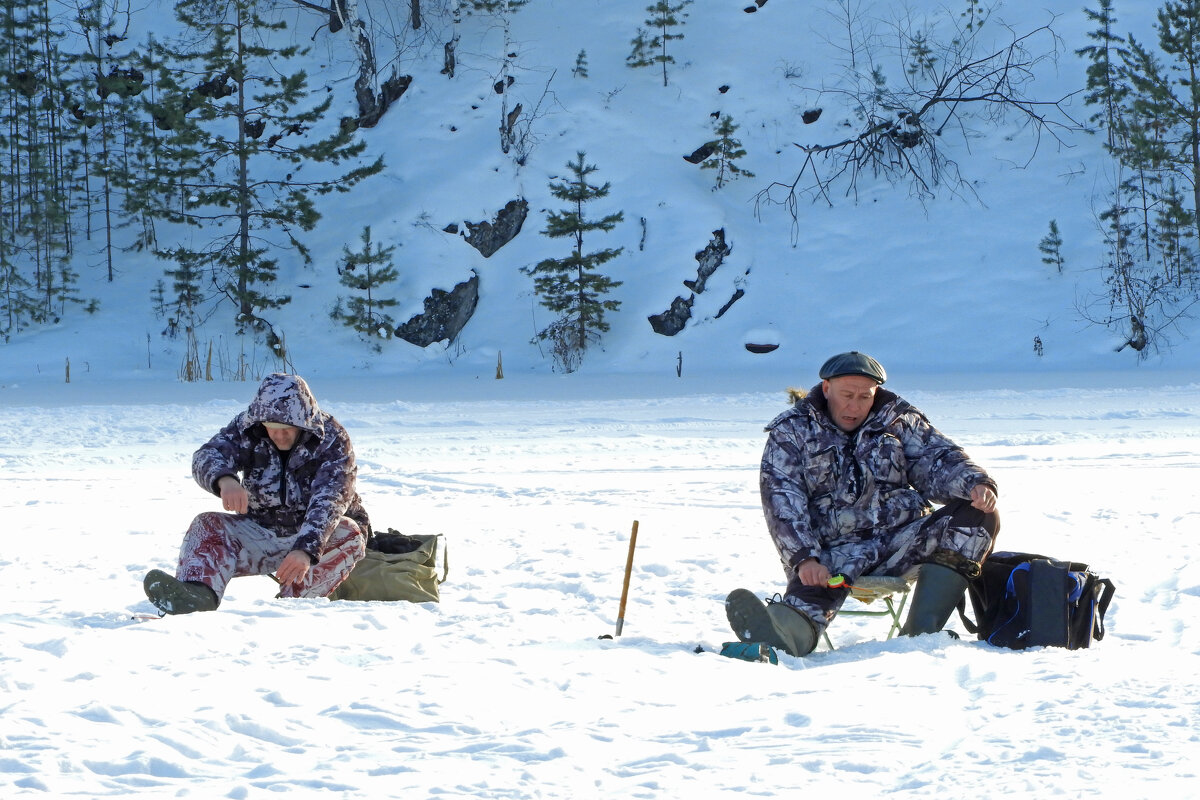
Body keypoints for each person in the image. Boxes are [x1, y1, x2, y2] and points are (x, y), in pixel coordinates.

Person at [725, 351, 999, 657]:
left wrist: (975, 483)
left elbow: (937, 459)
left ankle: (922, 632)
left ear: (876, 394)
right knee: (814, 593)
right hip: (833, 552)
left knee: (977, 516)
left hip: (901, 541)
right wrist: (804, 558)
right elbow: (783, 501)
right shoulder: (792, 432)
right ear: (826, 389)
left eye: (864, 397)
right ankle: (780, 637)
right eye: (846, 395)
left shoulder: (898, 421)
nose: (854, 406)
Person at [143, 373, 370, 615]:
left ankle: (289, 607)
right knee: (206, 524)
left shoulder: (332, 438)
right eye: (272, 429)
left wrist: (305, 550)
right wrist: (225, 480)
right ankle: (197, 595)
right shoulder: (247, 427)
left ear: (303, 423)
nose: (279, 435)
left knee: (350, 532)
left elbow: (331, 499)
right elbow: (207, 455)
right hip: (261, 528)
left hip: (317, 538)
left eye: (287, 429)